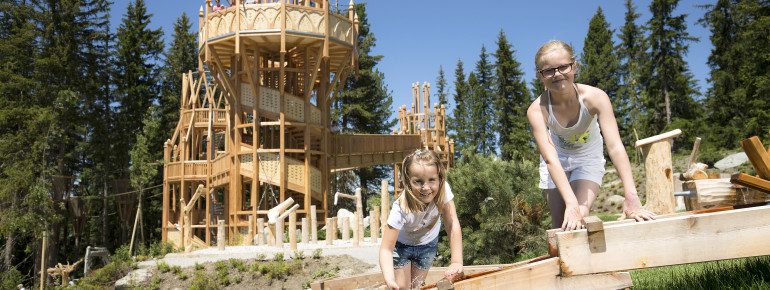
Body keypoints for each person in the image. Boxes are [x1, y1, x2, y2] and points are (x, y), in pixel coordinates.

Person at [526, 40, 656, 231]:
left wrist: (631, 196)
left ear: (575, 66)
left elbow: (615, 147)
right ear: (540, 75)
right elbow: (549, 158)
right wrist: (569, 204)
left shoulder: (595, 98)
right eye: (549, 71)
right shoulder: (537, 110)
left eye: (563, 67)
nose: (557, 74)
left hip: (588, 158)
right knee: (559, 224)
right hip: (557, 160)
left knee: (580, 213)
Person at [379, 149, 463, 289]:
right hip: (402, 246)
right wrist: (389, 279)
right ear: (408, 182)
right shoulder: (401, 208)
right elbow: (386, 249)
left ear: (440, 179)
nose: (426, 187)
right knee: (402, 287)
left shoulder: (443, 190)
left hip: (427, 244)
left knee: (416, 286)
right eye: (418, 181)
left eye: (431, 180)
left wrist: (456, 261)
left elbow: (451, 222)